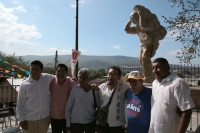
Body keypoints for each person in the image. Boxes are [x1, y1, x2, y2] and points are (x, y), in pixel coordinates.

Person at [149, 57, 195, 133]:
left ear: (167, 68)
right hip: (154, 129)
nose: (154, 71)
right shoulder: (155, 83)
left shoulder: (178, 83)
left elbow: (187, 111)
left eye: (158, 68)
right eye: (153, 68)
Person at [124, 5, 166, 83]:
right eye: (132, 19)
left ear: (137, 17)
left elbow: (144, 27)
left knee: (145, 58)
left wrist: (141, 15)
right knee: (141, 60)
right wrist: (129, 20)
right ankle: (150, 73)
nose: (133, 21)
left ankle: (148, 77)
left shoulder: (148, 25)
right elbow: (126, 30)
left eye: (133, 19)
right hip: (143, 45)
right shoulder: (137, 28)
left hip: (150, 43)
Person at [17, 60, 55, 133]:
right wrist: (21, 120)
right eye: (32, 69)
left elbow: (59, 77)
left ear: (41, 70)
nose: (34, 72)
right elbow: (20, 103)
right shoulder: (24, 85)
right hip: (29, 119)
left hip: (44, 118)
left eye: (37, 70)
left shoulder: (46, 78)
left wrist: (72, 79)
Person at [93, 66, 129, 133]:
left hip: (118, 125)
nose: (110, 76)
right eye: (109, 74)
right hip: (104, 124)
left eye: (114, 74)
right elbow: (99, 106)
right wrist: (98, 123)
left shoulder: (124, 87)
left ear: (119, 77)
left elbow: (134, 86)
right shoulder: (101, 87)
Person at [65, 68, 100, 133]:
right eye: (79, 77)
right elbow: (68, 108)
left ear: (89, 79)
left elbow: (99, 108)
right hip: (76, 123)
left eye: (84, 78)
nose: (81, 80)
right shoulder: (74, 90)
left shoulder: (95, 91)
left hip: (90, 123)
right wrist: (68, 124)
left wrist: (97, 124)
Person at [50, 64, 78, 133]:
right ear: (55, 72)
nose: (60, 73)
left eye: (63, 72)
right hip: (54, 117)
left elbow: (83, 87)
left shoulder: (72, 83)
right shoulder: (51, 82)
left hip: (67, 118)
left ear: (67, 73)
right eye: (58, 71)